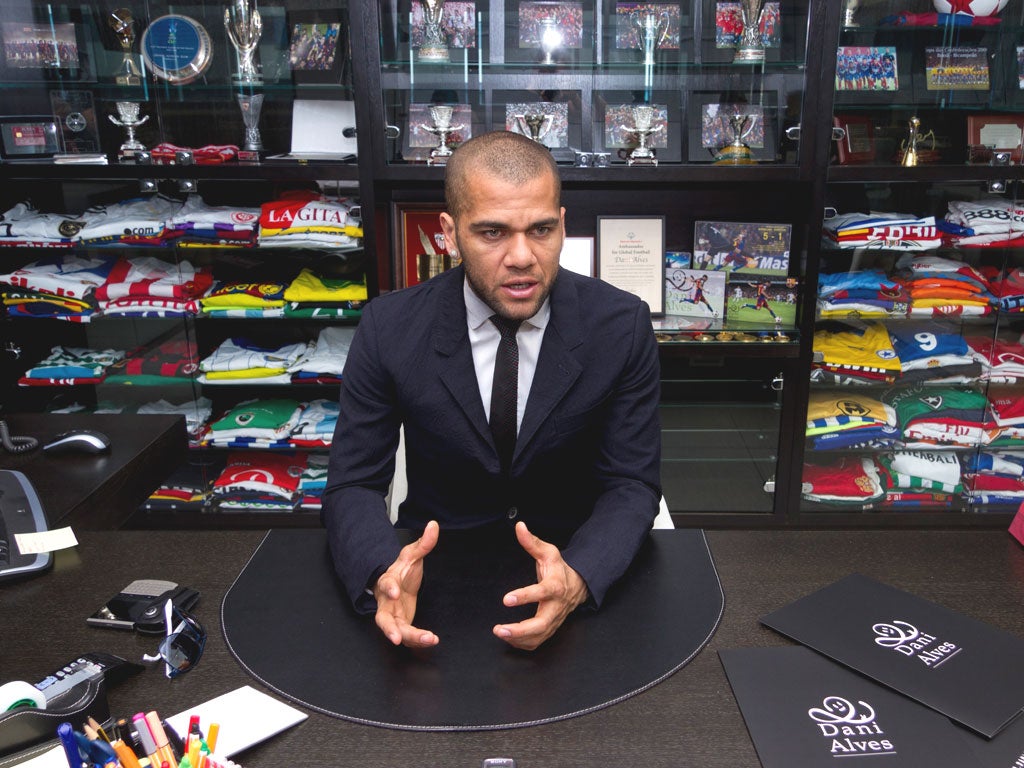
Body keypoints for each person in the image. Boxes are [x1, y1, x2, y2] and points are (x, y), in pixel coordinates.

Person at [322, 130, 661, 652]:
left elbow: (632, 483)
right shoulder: (387, 328)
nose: (522, 256)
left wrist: (580, 577)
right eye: (493, 233)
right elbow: (353, 484)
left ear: (563, 224)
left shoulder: (622, 325)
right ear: (449, 234)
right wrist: (381, 573)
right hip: (429, 581)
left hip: (574, 567)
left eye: (541, 229)